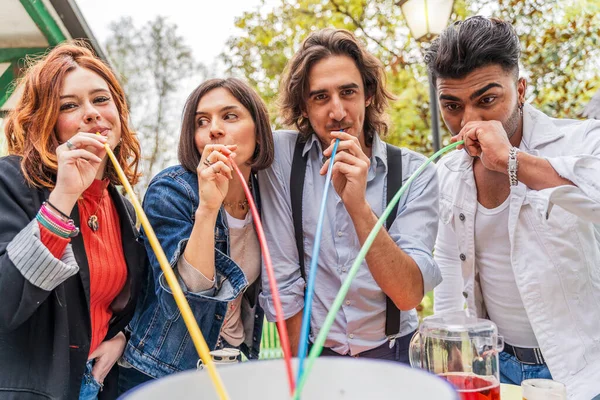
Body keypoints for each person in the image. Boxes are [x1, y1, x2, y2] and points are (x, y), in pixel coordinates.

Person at [428, 16, 600, 399]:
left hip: (584, 371)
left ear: (520, 89)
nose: (469, 121)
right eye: (452, 105)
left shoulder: (580, 140)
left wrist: (513, 161)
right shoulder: (448, 172)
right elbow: (448, 273)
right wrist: (457, 369)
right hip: (495, 368)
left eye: (487, 100)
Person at [258, 28, 441, 363]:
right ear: (304, 106)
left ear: (368, 95)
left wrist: (358, 207)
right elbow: (282, 279)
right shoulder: (282, 158)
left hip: (395, 352)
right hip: (315, 355)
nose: (338, 111)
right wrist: (302, 372)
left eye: (348, 92)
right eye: (320, 97)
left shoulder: (417, 173)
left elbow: (408, 294)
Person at [0, 42, 147, 400]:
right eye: (69, 105)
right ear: (45, 121)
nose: (92, 114)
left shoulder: (122, 206)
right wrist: (63, 198)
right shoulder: (10, 182)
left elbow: (129, 302)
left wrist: (120, 338)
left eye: (101, 100)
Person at [118, 78, 274, 392]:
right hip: (159, 370)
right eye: (202, 121)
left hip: (231, 367)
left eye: (230, 116)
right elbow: (187, 296)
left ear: (259, 130)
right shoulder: (171, 189)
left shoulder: (269, 194)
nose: (214, 129)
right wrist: (207, 207)